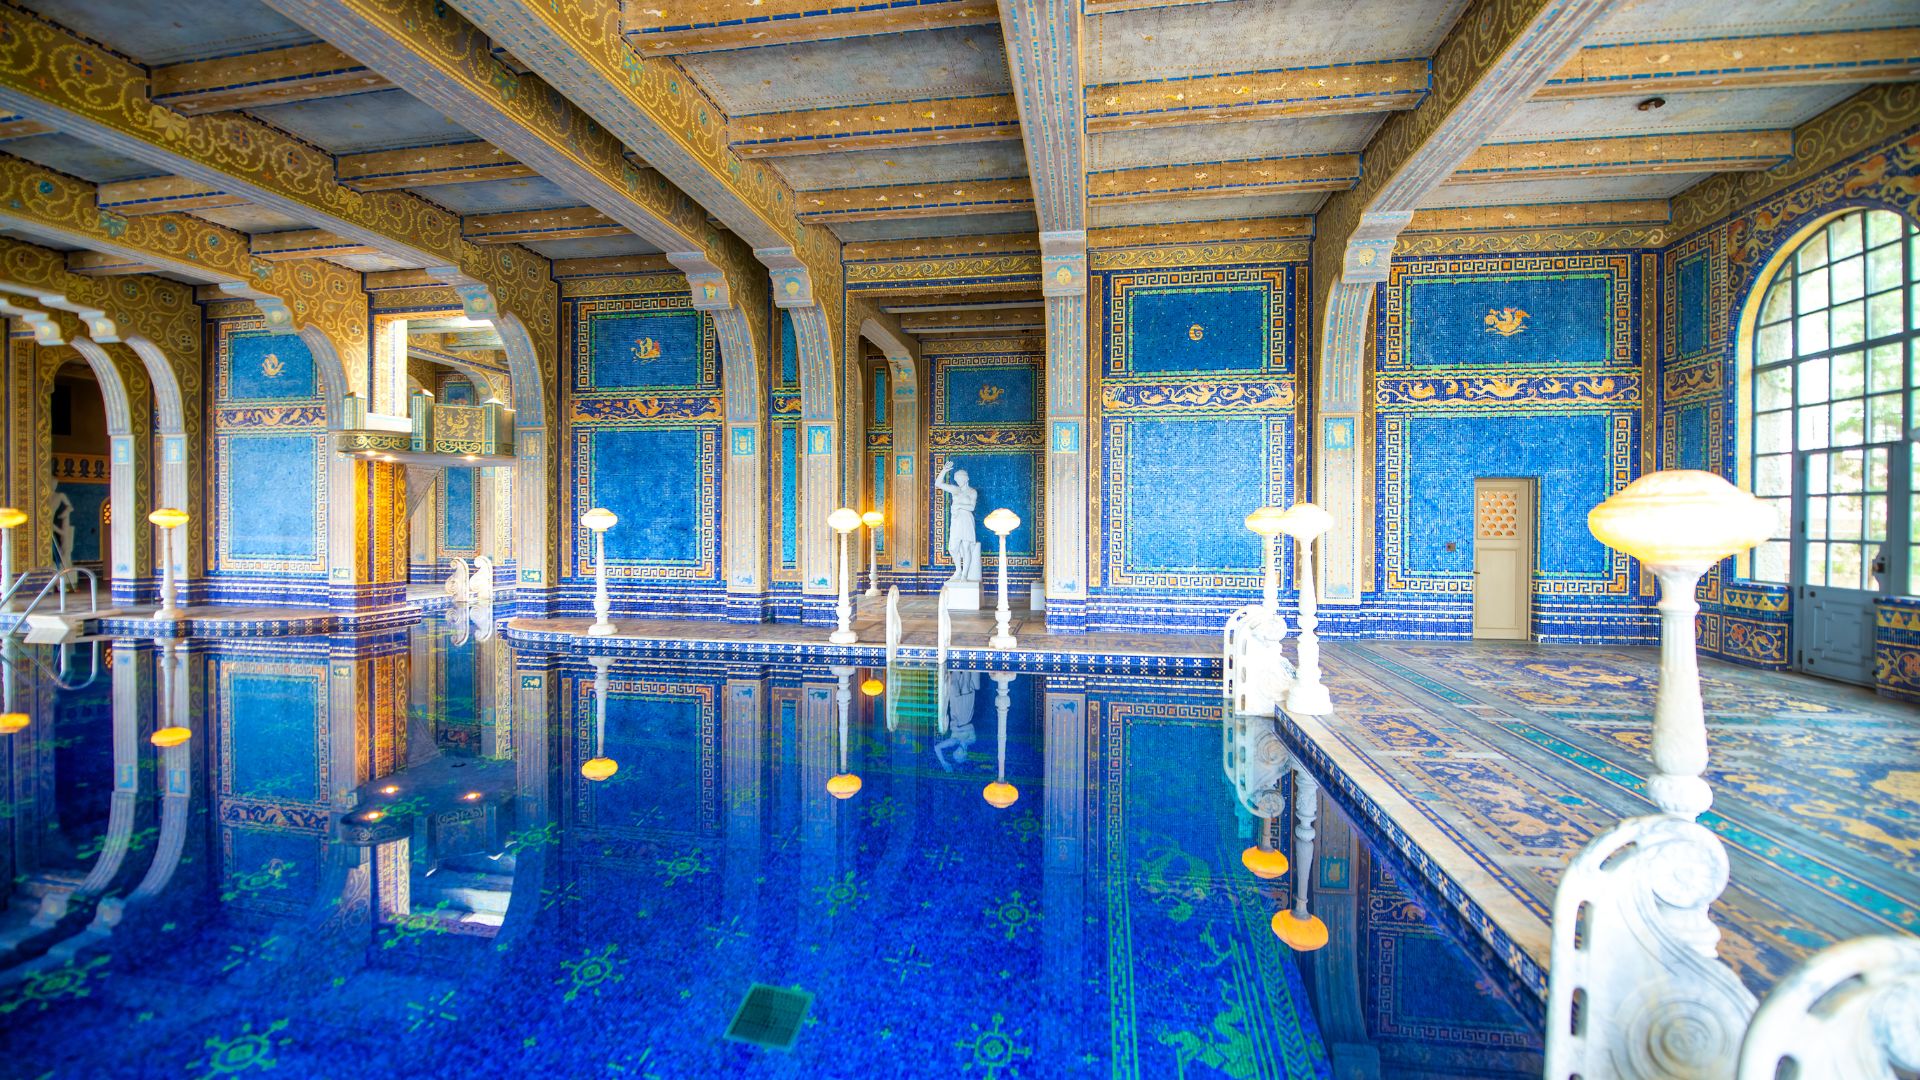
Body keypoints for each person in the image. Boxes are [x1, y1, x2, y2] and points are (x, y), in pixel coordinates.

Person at [934, 461, 981, 583]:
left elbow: (972, 507)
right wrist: (944, 470)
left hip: (967, 520)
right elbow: (938, 483)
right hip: (956, 521)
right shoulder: (955, 489)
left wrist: (958, 505)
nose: (958, 482)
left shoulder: (972, 492)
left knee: (966, 547)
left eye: (960, 479)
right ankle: (958, 571)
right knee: (953, 548)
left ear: (966, 479)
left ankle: (964, 575)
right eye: (957, 480)